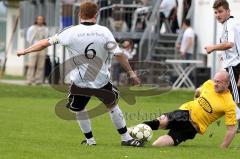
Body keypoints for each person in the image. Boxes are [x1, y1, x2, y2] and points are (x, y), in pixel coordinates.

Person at [17, 2, 143, 147]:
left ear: (79, 14)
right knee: (112, 106)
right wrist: (132, 74)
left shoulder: (70, 32)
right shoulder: (104, 31)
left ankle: (90, 140)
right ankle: (126, 138)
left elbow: (44, 43)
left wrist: (25, 51)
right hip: (101, 80)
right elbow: (119, 54)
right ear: (96, 15)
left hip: (80, 82)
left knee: (80, 109)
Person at [140, 71, 236, 148]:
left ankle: (144, 143)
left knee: (158, 145)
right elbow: (199, 90)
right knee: (162, 121)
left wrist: (224, 146)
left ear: (227, 83)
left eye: (218, 82)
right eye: (215, 80)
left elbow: (231, 130)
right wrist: (196, 96)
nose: (215, 84)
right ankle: (131, 133)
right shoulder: (209, 84)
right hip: (185, 112)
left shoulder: (229, 104)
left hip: (192, 128)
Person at [204, 0, 240, 132]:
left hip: (234, 66)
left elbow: (230, 44)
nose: (217, 15)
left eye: (220, 11)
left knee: (232, 96)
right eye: (215, 12)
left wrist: (213, 48)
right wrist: (223, 55)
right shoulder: (228, 24)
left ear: (228, 11)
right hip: (231, 65)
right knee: (229, 95)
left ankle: (233, 123)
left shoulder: (230, 24)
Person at [26, 16, 48, 85]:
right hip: (33, 47)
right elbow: (28, 38)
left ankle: (38, 80)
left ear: (43, 20)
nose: (40, 20)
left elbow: (47, 39)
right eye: (38, 19)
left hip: (42, 48)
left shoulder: (46, 29)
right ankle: (29, 80)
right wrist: (32, 46)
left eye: (41, 19)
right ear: (36, 20)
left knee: (40, 65)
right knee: (31, 64)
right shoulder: (32, 28)